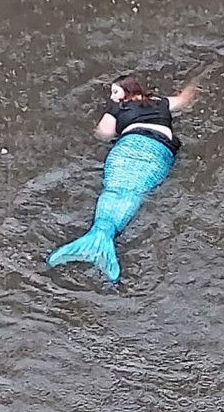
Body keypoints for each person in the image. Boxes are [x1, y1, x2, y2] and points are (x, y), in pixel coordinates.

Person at [46, 73, 198, 282]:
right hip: (159, 152)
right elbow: (184, 100)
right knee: (134, 191)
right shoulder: (159, 103)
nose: (113, 97)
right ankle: (103, 238)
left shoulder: (117, 108)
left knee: (115, 188)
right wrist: (196, 82)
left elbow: (103, 134)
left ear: (129, 91)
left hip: (128, 147)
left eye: (115, 91)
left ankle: (99, 235)